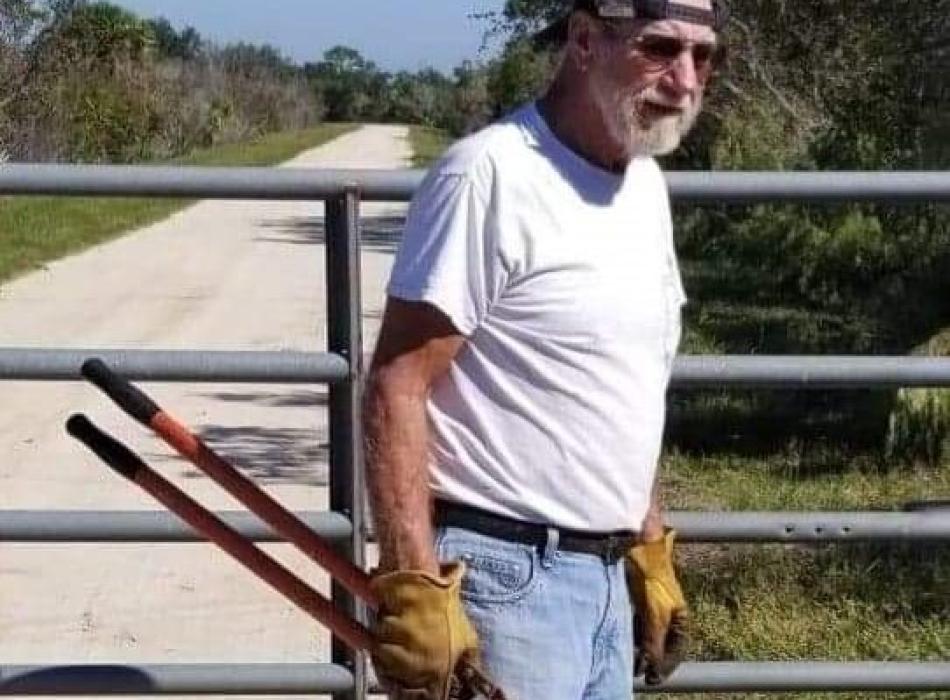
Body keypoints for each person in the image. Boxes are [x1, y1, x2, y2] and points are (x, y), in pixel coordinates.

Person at [363, 1, 727, 697]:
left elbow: (620, 385)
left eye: (702, 55)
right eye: (659, 48)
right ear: (586, 39)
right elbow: (396, 386)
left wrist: (649, 547)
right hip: (503, 581)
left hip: (603, 577)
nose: (684, 81)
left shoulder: (643, 184)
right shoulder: (490, 177)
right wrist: (415, 587)